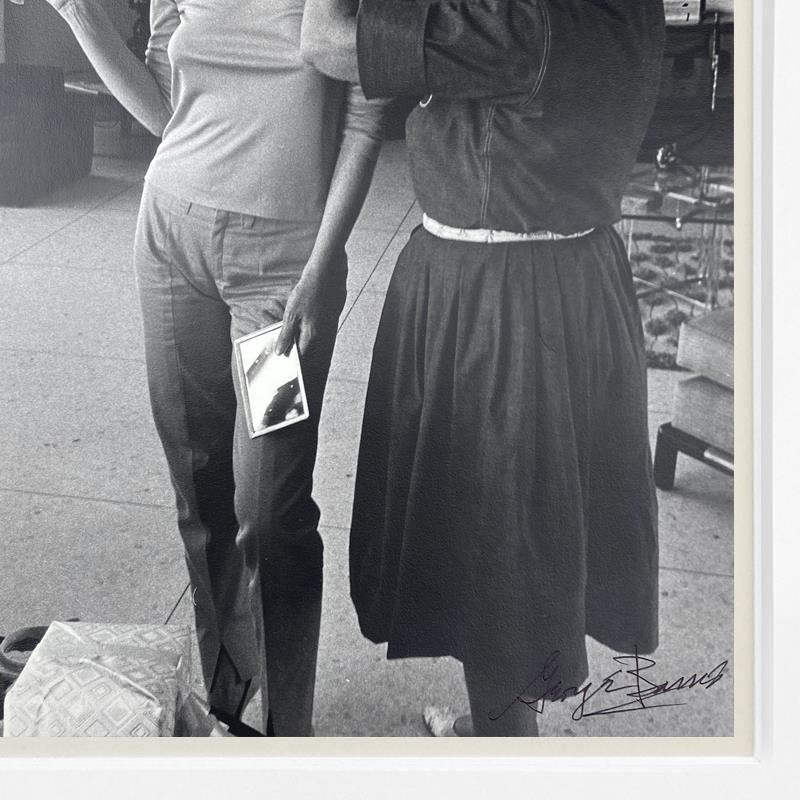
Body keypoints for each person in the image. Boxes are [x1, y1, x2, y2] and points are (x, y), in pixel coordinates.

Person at [301, 0, 665, 736]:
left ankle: (503, 751)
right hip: (561, 279)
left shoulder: (521, 21)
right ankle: (500, 726)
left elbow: (326, 40)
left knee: (498, 558)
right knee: (518, 548)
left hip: (503, 304)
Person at [42, 0, 386, 735]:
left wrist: (321, 266)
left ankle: (288, 733)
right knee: (199, 491)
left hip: (280, 278)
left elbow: (365, 122)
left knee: (268, 511)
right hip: (172, 249)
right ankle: (230, 704)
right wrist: (81, 18)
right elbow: (168, 108)